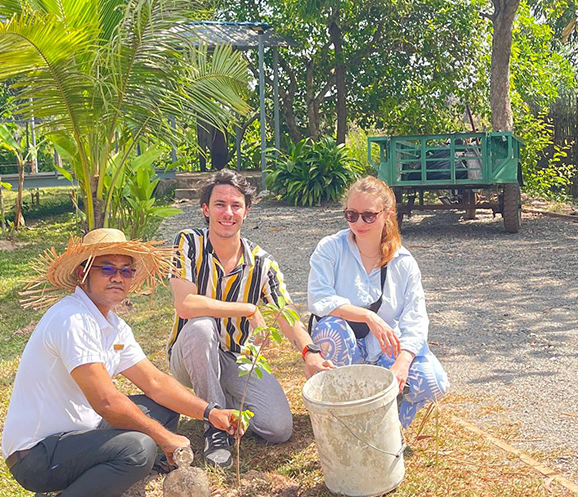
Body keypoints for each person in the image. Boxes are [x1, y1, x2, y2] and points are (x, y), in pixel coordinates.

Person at [2, 228, 244, 497]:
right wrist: (165, 440)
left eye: (126, 270)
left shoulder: (111, 324)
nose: (119, 277)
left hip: (78, 434)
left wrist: (211, 412)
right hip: (36, 455)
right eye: (107, 268)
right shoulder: (73, 319)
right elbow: (106, 402)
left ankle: (123, 471)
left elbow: (156, 382)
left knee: (160, 408)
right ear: (84, 272)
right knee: (139, 448)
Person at [168, 169, 334, 468]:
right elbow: (186, 305)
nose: (227, 212)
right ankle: (215, 429)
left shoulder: (262, 262)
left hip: (236, 357)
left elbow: (285, 313)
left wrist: (310, 353)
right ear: (205, 209)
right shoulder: (188, 243)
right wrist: (247, 309)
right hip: (189, 352)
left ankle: (226, 401)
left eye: (236, 205)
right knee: (202, 328)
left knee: (278, 428)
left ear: (247, 211)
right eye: (219, 204)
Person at [306, 176, 449, 427]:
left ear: (387, 214)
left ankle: (390, 426)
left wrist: (403, 363)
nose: (359, 223)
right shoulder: (331, 248)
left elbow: (415, 320)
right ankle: (340, 419)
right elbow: (319, 298)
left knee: (433, 382)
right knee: (331, 330)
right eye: (352, 215)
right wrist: (368, 316)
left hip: (383, 347)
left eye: (368, 215)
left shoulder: (403, 262)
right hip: (344, 344)